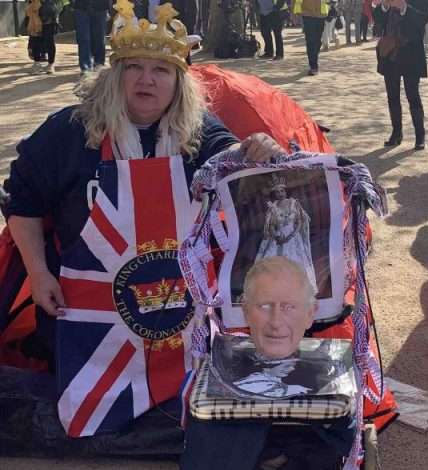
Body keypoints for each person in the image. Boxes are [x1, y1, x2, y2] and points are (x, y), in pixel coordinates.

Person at [2, 0, 284, 432]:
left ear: (179, 82)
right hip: (83, 316)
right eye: (134, 67)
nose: (146, 80)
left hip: (180, 319)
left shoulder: (198, 131)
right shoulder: (70, 130)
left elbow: (232, 163)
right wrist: (39, 275)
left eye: (161, 70)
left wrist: (256, 149)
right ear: (116, 75)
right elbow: (22, 201)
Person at [160, 256, 356, 470]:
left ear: (310, 314)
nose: (276, 321)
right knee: (208, 409)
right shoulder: (224, 365)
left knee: (335, 419)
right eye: (265, 307)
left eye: (288, 307)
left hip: (308, 463)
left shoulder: (328, 368)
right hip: (243, 443)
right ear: (245, 312)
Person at [373, 0, 428, 150]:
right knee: (392, 96)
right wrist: (384, 6)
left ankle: (420, 136)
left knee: (413, 95)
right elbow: (377, 18)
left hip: (411, 53)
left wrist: (404, 7)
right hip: (390, 54)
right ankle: (396, 133)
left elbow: (423, 19)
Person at [254, 174, 317, 291]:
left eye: (282, 191)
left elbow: (299, 222)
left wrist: (291, 236)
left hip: (293, 236)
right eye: (277, 192)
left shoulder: (294, 203)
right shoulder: (273, 207)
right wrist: (276, 236)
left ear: (286, 191)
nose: (280, 194)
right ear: (274, 194)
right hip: (278, 237)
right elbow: (271, 225)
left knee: (295, 260)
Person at [72, 0, 110, 75]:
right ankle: (86, 68)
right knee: (84, 38)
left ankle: (99, 64)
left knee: (99, 38)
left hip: (100, 7)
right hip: (81, 7)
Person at [294, 0, 329, 75]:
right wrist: (296, 12)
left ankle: (314, 57)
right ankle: (313, 66)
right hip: (307, 14)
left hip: (321, 15)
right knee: (310, 41)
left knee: (317, 41)